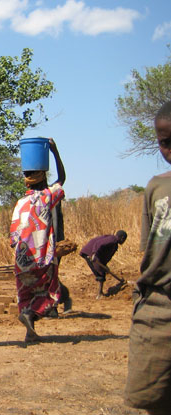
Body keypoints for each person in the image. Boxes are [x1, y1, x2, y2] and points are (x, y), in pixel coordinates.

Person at [125, 101, 171, 413]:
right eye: (165, 142)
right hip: (159, 308)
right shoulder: (156, 187)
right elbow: (151, 252)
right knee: (152, 399)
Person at [9, 138, 66, 342]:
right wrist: (55, 151)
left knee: (25, 296)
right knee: (51, 293)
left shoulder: (20, 203)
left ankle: (29, 333)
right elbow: (62, 179)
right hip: (42, 257)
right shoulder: (46, 197)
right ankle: (30, 315)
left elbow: (13, 237)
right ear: (43, 178)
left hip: (22, 260)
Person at [80, 231, 127, 299]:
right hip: (90, 254)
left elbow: (104, 255)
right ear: (122, 238)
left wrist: (105, 265)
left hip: (95, 255)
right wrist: (94, 254)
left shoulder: (114, 244)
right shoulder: (113, 239)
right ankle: (99, 294)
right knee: (100, 273)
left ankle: (100, 293)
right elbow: (98, 243)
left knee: (102, 271)